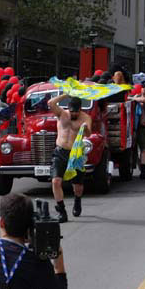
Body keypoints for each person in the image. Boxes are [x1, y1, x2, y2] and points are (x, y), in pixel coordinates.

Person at [47, 94, 91, 223]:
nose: (73, 115)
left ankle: (77, 200)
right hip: (60, 151)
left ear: (80, 110)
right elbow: (50, 103)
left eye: (76, 113)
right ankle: (62, 211)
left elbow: (89, 133)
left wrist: (85, 128)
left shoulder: (85, 117)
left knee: (77, 185)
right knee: (55, 181)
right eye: (71, 112)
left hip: (75, 153)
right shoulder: (62, 114)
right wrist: (66, 93)